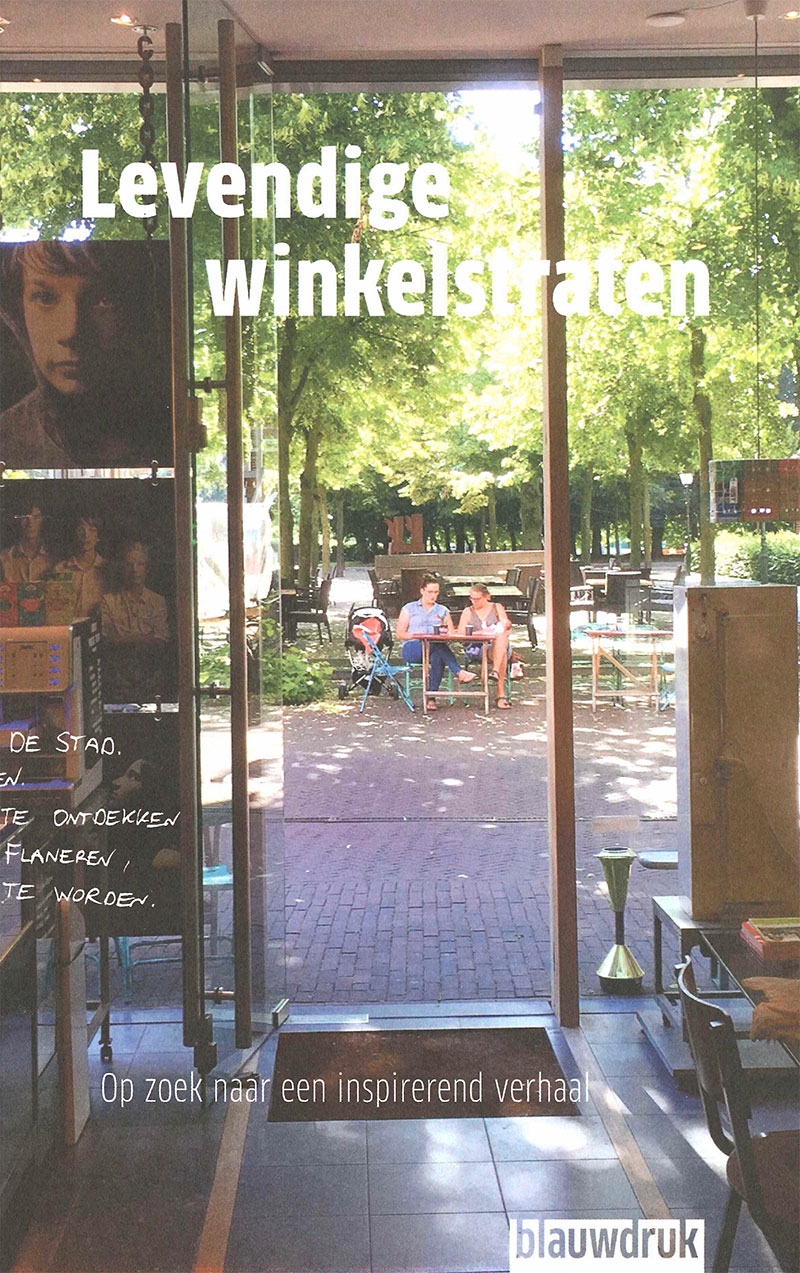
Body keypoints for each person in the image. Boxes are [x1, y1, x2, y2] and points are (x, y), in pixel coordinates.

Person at [0, 241, 170, 469]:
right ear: (19, 311)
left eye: (102, 301)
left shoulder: (171, 431)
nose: (70, 331)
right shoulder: (7, 440)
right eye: (45, 298)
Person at [395, 574, 475, 711]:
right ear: (422, 591)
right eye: (430, 592)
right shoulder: (409, 608)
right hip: (413, 646)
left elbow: (450, 634)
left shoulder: (442, 610)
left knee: (438, 653)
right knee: (436, 644)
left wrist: (445, 633)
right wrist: (419, 636)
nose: (433, 595)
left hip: (435, 646)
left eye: (436, 592)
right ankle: (458, 671)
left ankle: (431, 698)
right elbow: (400, 634)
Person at [457, 582, 513, 709]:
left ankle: (495, 671)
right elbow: (460, 634)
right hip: (477, 647)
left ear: (487, 596)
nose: (474, 602)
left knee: (501, 637)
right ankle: (500, 694)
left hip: (496, 646)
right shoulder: (468, 611)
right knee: (502, 652)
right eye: (471, 598)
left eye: (477, 599)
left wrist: (504, 624)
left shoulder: (497, 607)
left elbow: (506, 624)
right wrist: (480, 633)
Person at [55, 515, 105, 618]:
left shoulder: (107, 570)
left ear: (98, 536)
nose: (86, 535)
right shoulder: (60, 570)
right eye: (81, 530)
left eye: (92, 530)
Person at [0, 501, 53, 582]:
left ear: (42, 520)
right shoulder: (4, 558)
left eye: (36, 517)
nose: (30, 524)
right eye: (24, 517)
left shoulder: (53, 557)